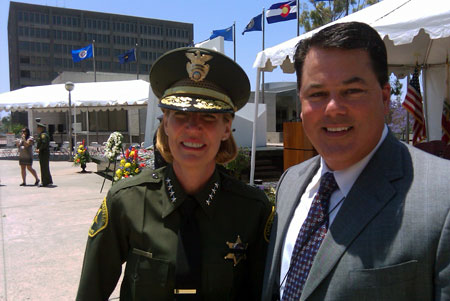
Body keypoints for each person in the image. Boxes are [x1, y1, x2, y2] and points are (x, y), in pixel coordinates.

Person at [262, 22, 450, 301]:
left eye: (352, 91)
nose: (334, 108)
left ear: (385, 98)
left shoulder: (443, 197)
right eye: (317, 94)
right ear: (301, 104)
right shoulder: (291, 181)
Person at [77, 47, 272, 300]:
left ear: (227, 128)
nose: (193, 128)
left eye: (209, 117)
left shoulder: (252, 210)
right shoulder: (126, 202)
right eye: (180, 115)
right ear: (165, 124)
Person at [36, 122, 53, 187]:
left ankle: (45, 182)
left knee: (44, 167)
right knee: (45, 167)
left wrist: (39, 149)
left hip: (44, 153)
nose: (37, 129)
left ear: (41, 128)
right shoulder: (43, 134)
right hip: (44, 152)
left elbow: (44, 143)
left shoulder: (43, 135)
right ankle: (48, 180)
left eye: (38, 128)